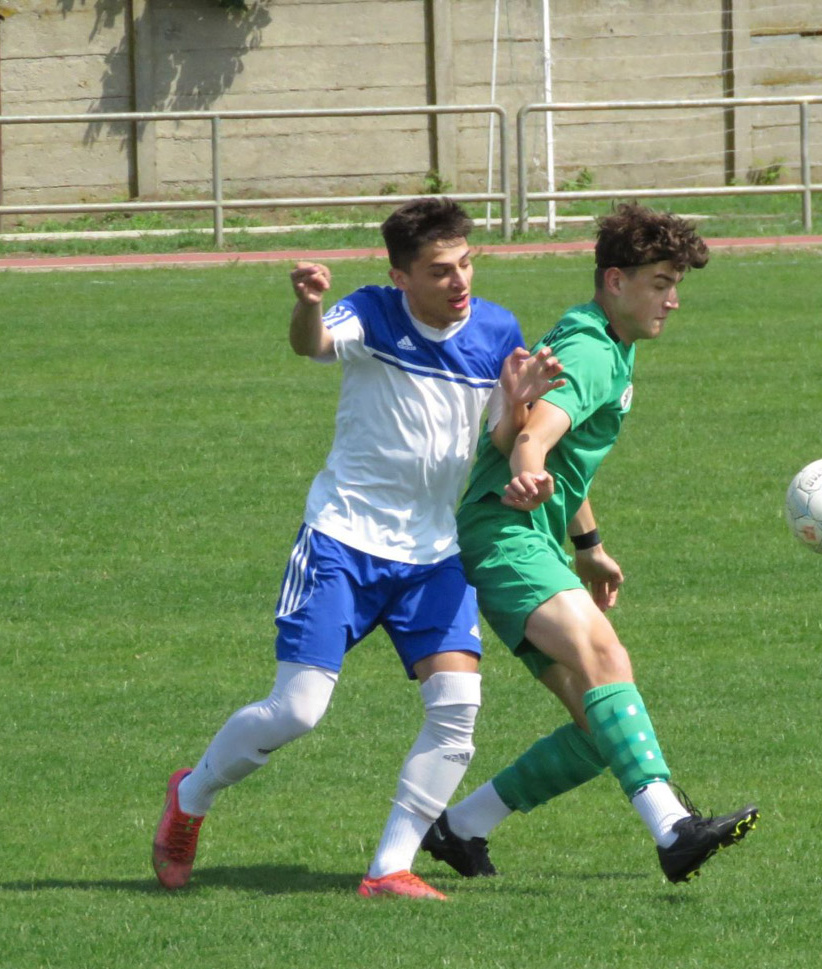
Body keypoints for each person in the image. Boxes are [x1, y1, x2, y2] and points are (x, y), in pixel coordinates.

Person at [152, 197, 562, 900]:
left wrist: (520, 403)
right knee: (298, 711)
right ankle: (191, 796)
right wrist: (308, 304)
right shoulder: (371, 313)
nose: (460, 281)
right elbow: (312, 345)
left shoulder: (497, 329)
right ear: (401, 277)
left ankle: (389, 868)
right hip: (342, 541)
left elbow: (501, 436)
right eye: (440, 270)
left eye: (466, 263)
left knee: (457, 708)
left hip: (434, 554)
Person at [421, 203, 758, 886]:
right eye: (660, 283)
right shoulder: (592, 351)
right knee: (607, 658)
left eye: (676, 285)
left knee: (599, 726)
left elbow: (561, 454)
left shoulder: (604, 340)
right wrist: (526, 472)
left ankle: (461, 827)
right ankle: (672, 829)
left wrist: (589, 544)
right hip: (507, 536)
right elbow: (536, 435)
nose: (672, 300)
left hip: (526, 537)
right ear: (615, 280)